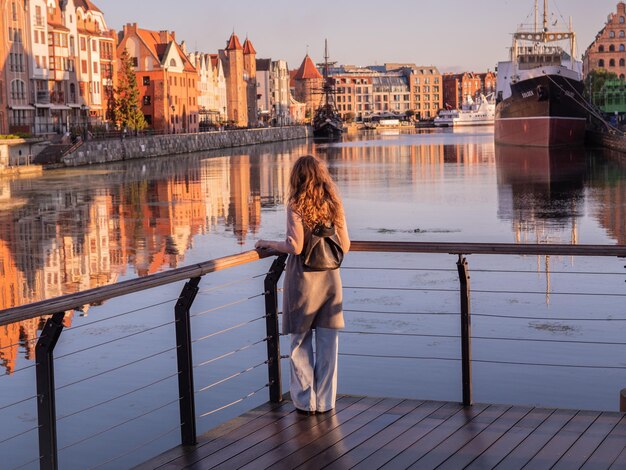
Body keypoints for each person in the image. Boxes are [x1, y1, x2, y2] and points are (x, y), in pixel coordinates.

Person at [255, 155, 350, 415]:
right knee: (329, 343)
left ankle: (304, 401)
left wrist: (270, 244)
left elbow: (295, 246)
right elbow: (346, 245)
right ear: (321, 175)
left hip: (304, 280)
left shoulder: (296, 205)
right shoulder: (334, 204)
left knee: (300, 342)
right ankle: (325, 402)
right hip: (330, 280)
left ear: (297, 177)